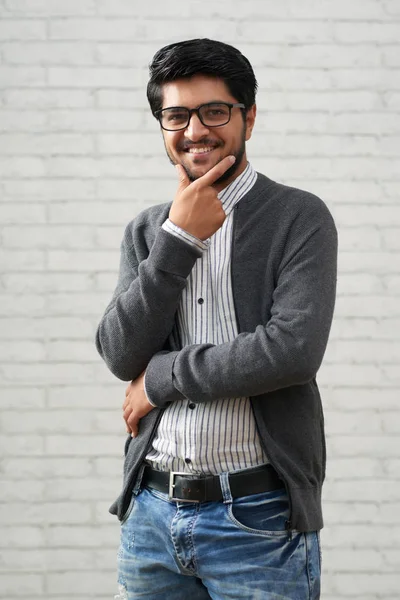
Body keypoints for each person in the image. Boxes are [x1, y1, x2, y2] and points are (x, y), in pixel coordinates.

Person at [96, 38, 337, 600]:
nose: (195, 130)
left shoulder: (298, 217)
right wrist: (177, 240)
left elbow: (291, 351)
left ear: (248, 118)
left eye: (215, 111)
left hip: (258, 520)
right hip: (150, 515)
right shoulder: (147, 231)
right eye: (177, 115)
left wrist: (160, 380)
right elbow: (118, 353)